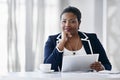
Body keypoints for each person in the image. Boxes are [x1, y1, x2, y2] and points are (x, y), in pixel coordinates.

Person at [44, 6, 112, 72]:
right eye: (64, 21)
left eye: (72, 21)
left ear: (79, 23)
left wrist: (102, 67)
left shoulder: (92, 39)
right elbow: (47, 66)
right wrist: (62, 43)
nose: (67, 25)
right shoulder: (51, 40)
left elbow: (108, 65)